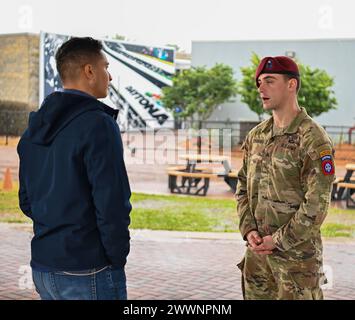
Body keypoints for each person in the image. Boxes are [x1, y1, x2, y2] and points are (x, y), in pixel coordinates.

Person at [17, 37, 132, 300]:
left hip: (43, 268)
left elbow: (26, 201)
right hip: (88, 270)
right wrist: (116, 259)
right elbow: (112, 203)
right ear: (89, 71)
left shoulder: (35, 126)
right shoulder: (98, 124)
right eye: (106, 66)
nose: (110, 76)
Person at [236, 56, 335, 300]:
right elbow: (242, 187)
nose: (261, 88)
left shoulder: (313, 139)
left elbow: (317, 206)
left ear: (291, 85)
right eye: (259, 82)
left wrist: (276, 241)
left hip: (296, 266)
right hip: (258, 260)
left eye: (269, 81)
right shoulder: (256, 136)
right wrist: (249, 229)